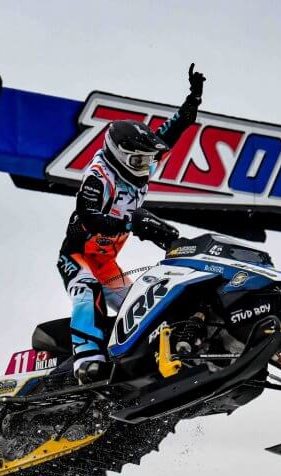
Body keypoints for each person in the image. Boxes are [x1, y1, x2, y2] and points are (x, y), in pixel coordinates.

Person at [57, 64, 206, 383]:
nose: (145, 167)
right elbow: (88, 216)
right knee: (87, 289)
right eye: (138, 161)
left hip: (106, 261)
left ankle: (149, 360)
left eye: (147, 161)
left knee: (138, 304)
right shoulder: (99, 177)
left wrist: (192, 100)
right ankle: (86, 361)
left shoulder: (142, 162)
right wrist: (132, 223)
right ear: (118, 154)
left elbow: (171, 133)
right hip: (78, 256)